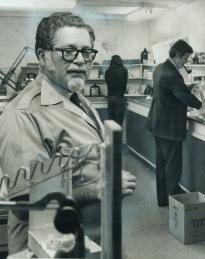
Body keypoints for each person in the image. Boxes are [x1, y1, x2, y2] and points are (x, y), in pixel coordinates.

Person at [0, 12, 136, 255]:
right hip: (48, 248)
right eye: (69, 51)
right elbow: (23, 202)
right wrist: (97, 189)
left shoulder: (78, 98)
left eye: (87, 52)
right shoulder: (24, 114)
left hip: (89, 238)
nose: (81, 61)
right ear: (43, 56)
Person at [146, 39, 205, 207]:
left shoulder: (161, 68)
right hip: (169, 129)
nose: (186, 62)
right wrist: (203, 106)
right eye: (186, 58)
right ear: (178, 56)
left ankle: (163, 201)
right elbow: (182, 96)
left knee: (162, 166)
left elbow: (172, 89)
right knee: (173, 168)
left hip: (158, 126)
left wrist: (187, 86)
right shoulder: (172, 74)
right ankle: (175, 206)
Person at [105, 55, 128, 126]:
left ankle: (112, 137)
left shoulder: (107, 71)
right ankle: (118, 137)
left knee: (112, 124)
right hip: (120, 98)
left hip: (110, 99)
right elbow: (125, 84)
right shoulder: (124, 70)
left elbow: (108, 84)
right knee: (119, 124)